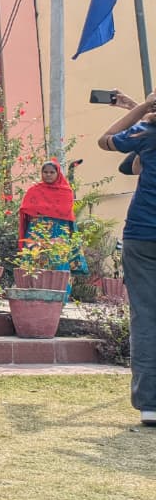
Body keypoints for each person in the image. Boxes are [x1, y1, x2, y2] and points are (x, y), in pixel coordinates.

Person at [97, 88, 156, 427]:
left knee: (146, 319)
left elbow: (107, 140)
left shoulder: (147, 133)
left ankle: (150, 404)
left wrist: (143, 106)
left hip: (144, 234)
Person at [17, 160, 87, 290]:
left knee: (58, 261)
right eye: (45, 172)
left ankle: (60, 296)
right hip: (37, 234)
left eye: (51, 172)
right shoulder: (34, 191)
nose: (48, 175)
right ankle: (32, 293)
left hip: (58, 234)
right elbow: (25, 209)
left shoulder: (66, 192)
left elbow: (66, 212)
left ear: (57, 173)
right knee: (35, 261)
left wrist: (42, 211)